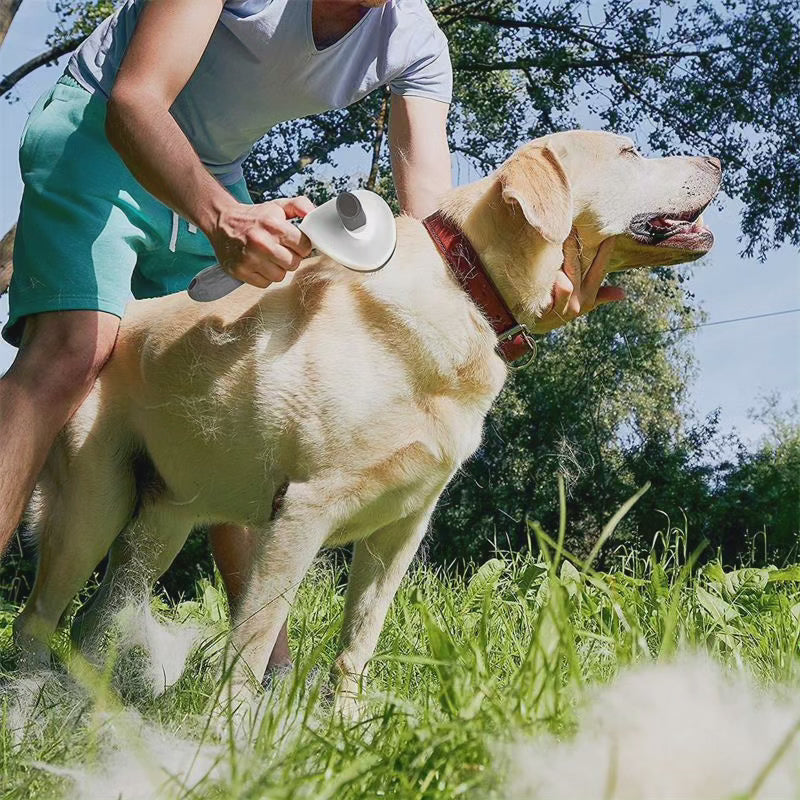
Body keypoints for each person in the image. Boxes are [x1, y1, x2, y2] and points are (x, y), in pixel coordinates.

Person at [0, 0, 622, 667]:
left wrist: (521, 302)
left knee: (239, 387)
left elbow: (438, 239)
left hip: (214, 168)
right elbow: (136, 100)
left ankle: (272, 689)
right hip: (101, 130)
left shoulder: (415, 44)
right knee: (75, 351)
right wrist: (224, 219)